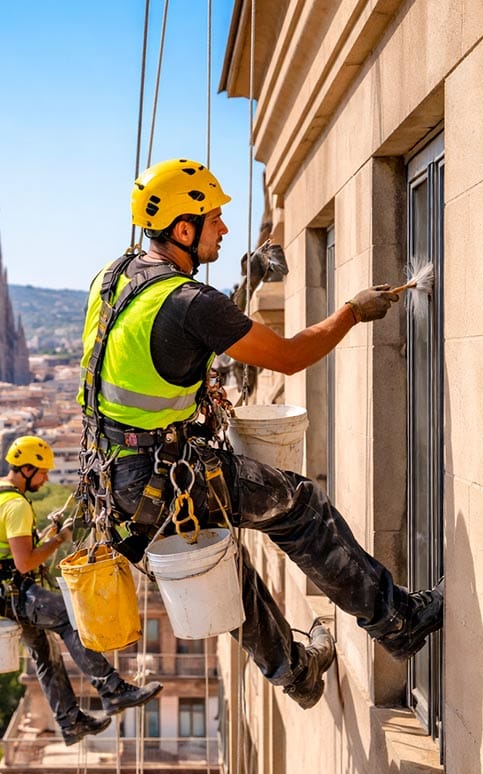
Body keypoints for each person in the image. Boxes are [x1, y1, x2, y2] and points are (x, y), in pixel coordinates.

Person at [76, 157, 444, 710]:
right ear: (183, 229)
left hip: (119, 478)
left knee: (223, 565)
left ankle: (294, 672)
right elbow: (291, 357)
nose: (223, 228)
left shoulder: (117, 277)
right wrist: (351, 311)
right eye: (214, 220)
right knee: (299, 506)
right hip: (158, 472)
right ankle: (398, 620)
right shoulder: (189, 304)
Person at [0, 435, 163, 745]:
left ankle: (70, 722)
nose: (45, 479)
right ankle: (112, 690)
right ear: (28, 469)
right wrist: (58, 541)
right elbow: (24, 562)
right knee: (70, 620)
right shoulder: (15, 505)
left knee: (44, 655)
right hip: (11, 590)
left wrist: (40, 540)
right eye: (43, 472)